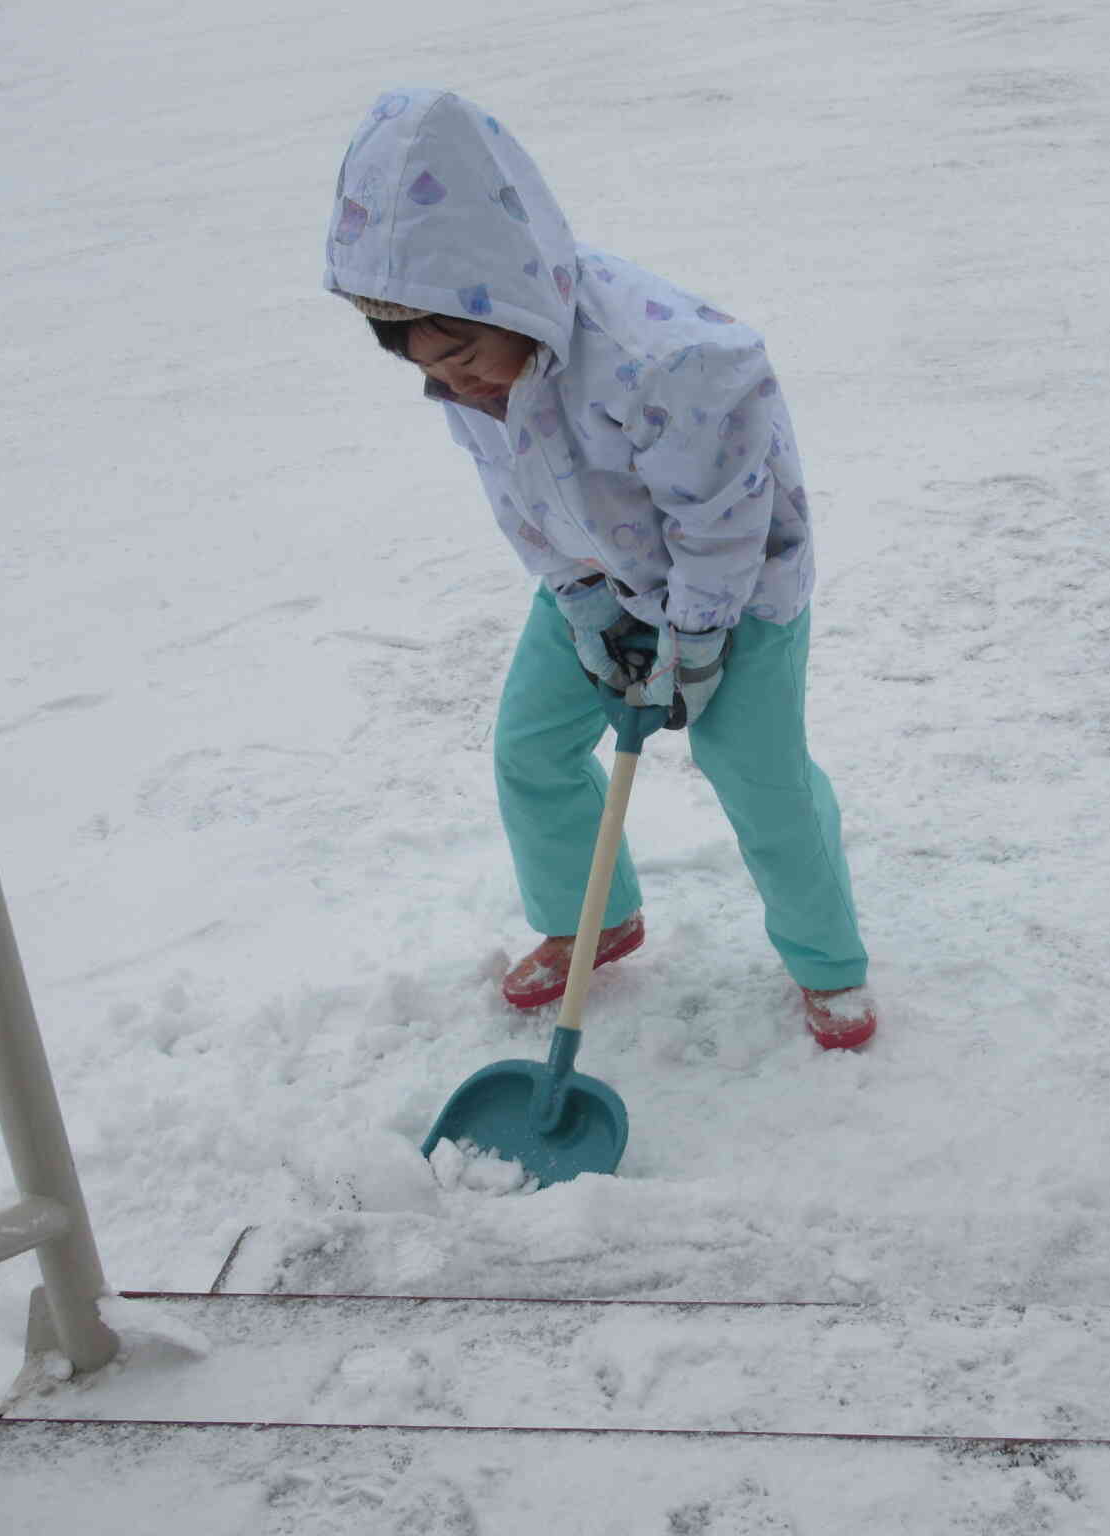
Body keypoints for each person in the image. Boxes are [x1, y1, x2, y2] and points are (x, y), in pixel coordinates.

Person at [322, 88, 875, 1049]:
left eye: (462, 356)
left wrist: (697, 640)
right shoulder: (471, 369)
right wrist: (582, 604)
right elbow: (518, 498)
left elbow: (722, 522)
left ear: (515, 294)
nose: (456, 385)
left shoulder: (668, 362)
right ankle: (596, 920)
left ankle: (830, 964)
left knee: (755, 771)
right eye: (429, 369)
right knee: (530, 746)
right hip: (599, 579)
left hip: (738, 594)